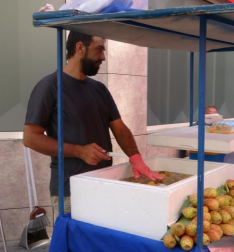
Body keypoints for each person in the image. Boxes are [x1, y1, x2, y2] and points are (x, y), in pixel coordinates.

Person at [23, 32, 162, 219]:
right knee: (75, 247)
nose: (103, 57)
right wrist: (79, 151)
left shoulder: (99, 89)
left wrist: (136, 158)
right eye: (99, 49)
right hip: (71, 190)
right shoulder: (49, 87)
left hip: (104, 183)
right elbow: (30, 138)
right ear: (80, 48)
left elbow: (119, 128)